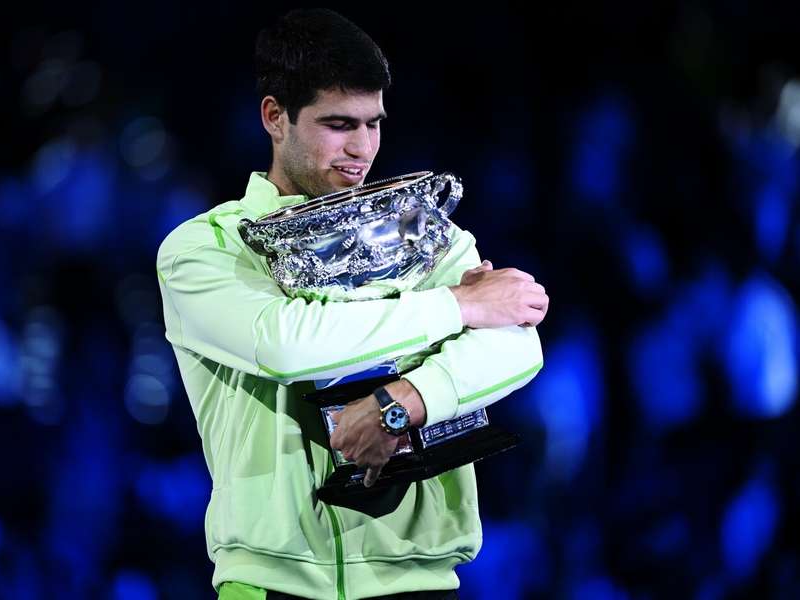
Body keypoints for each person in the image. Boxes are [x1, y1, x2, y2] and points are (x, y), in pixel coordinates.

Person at [156, 8, 549, 600]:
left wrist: (406, 403)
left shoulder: (419, 227)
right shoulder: (203, 248)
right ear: (274, 117)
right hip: (271, 582)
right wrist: (457, 306)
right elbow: (286, 343)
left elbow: (518, 346)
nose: (361, 149)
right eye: (338, 124)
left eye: (373, 124)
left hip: (421, 579)